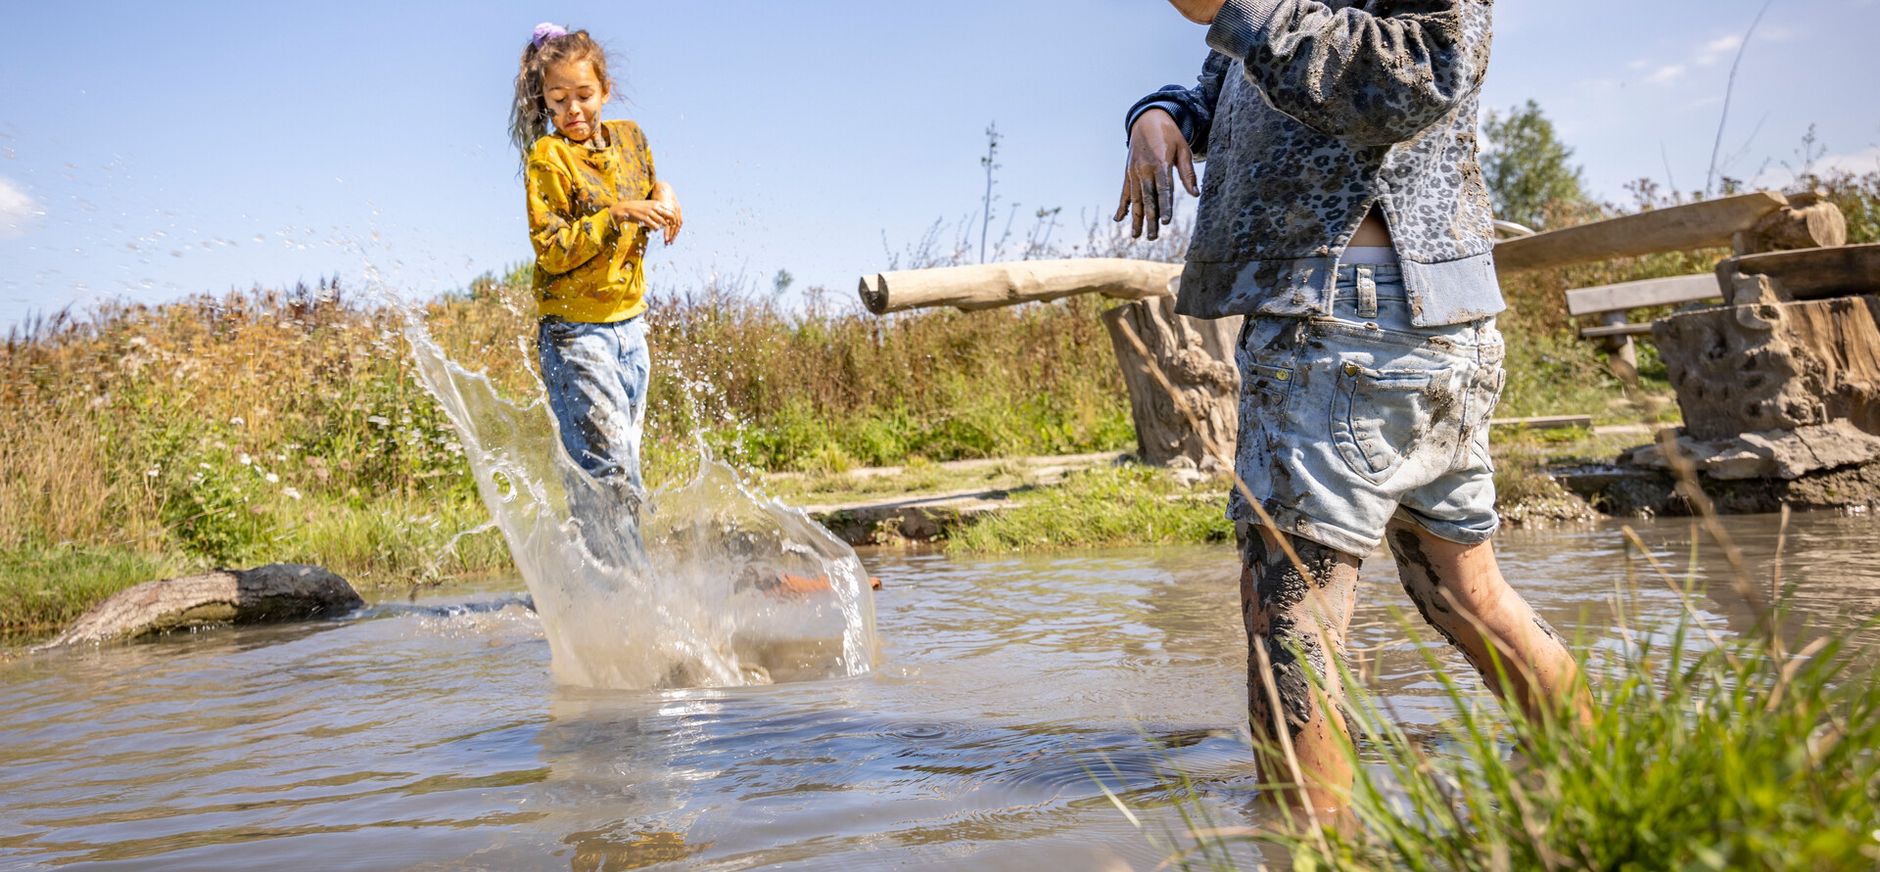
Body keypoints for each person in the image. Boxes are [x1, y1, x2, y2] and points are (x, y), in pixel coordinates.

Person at [1116, 0, 1586, 817]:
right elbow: (1230, 82)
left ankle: (1307, 846)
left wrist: (1241, 6)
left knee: (1291, 607)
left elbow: (1416, 75)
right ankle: (1600, 780)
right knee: (1460, 587)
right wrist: (1157, 115)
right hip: (1401, 315)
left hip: (1349, 312)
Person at [510, 22, 681, 564]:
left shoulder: (630, 137)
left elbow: (650, 183)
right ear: (544, 100)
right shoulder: (548, 158)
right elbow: (553, 248)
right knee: (609, 470)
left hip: (631, 327)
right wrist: (620, 213)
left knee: (618, 466)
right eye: (558, 101)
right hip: (575, 333)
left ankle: (603, 591)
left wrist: (666, 193)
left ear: (605, 90)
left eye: (584, 96)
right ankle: (636, 594)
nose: (574, 111)